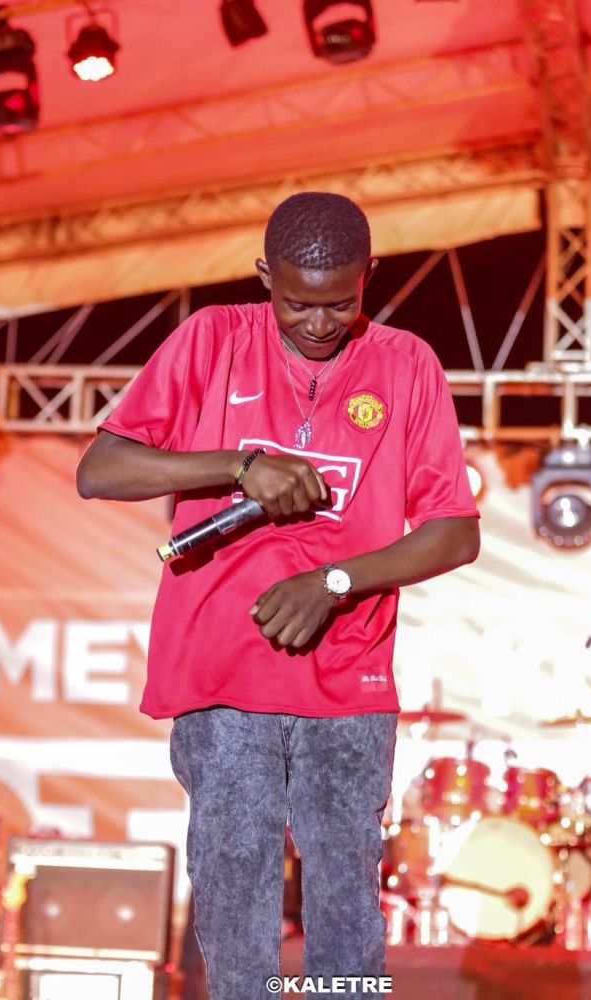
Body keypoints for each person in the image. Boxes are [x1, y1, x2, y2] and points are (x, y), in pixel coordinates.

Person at [75, 191, 480, 999]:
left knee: (347, 921)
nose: (318, 323)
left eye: (339, 303)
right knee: (236, 913)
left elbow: (453, 533)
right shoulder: (211, 340)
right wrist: (237, 465)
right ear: (265, 275)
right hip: (223, 674)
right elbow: (100, 469)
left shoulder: (405, 364)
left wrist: (335, 582)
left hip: (348, 679)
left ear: (368, 276)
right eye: (297, 302)